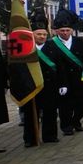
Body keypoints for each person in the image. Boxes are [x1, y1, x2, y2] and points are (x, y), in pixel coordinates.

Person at [45, 9, 83, 136]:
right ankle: (66, 126)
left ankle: (76, 121)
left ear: (72, 30)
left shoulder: (80, 42)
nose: (65, 33)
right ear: (57, 31)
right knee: (65, 105)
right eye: (62, 31)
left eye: (67, 30)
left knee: (81, 102)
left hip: (79, 78)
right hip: (62, 79)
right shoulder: (51, 44)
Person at [22, 15, 61, 146]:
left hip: (49, 85)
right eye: (39, 34)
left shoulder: (52, 47)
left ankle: (50, 136)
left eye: (44, 34)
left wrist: (62, 83)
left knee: (50, 112)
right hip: (31, 86)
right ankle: (30, 138)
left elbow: (61, 67)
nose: (42, 37)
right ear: (32, 34)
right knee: (30, 113)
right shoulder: (26, 48)